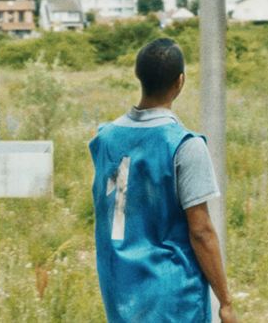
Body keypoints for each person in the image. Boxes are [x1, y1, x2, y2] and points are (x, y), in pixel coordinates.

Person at [89, 38, 237, 323]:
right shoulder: (184, 145)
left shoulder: (104, 138)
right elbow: (201, 231)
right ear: (180, 81)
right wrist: (226, 302)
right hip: (173, 297)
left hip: (119, 292)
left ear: (138, 76)